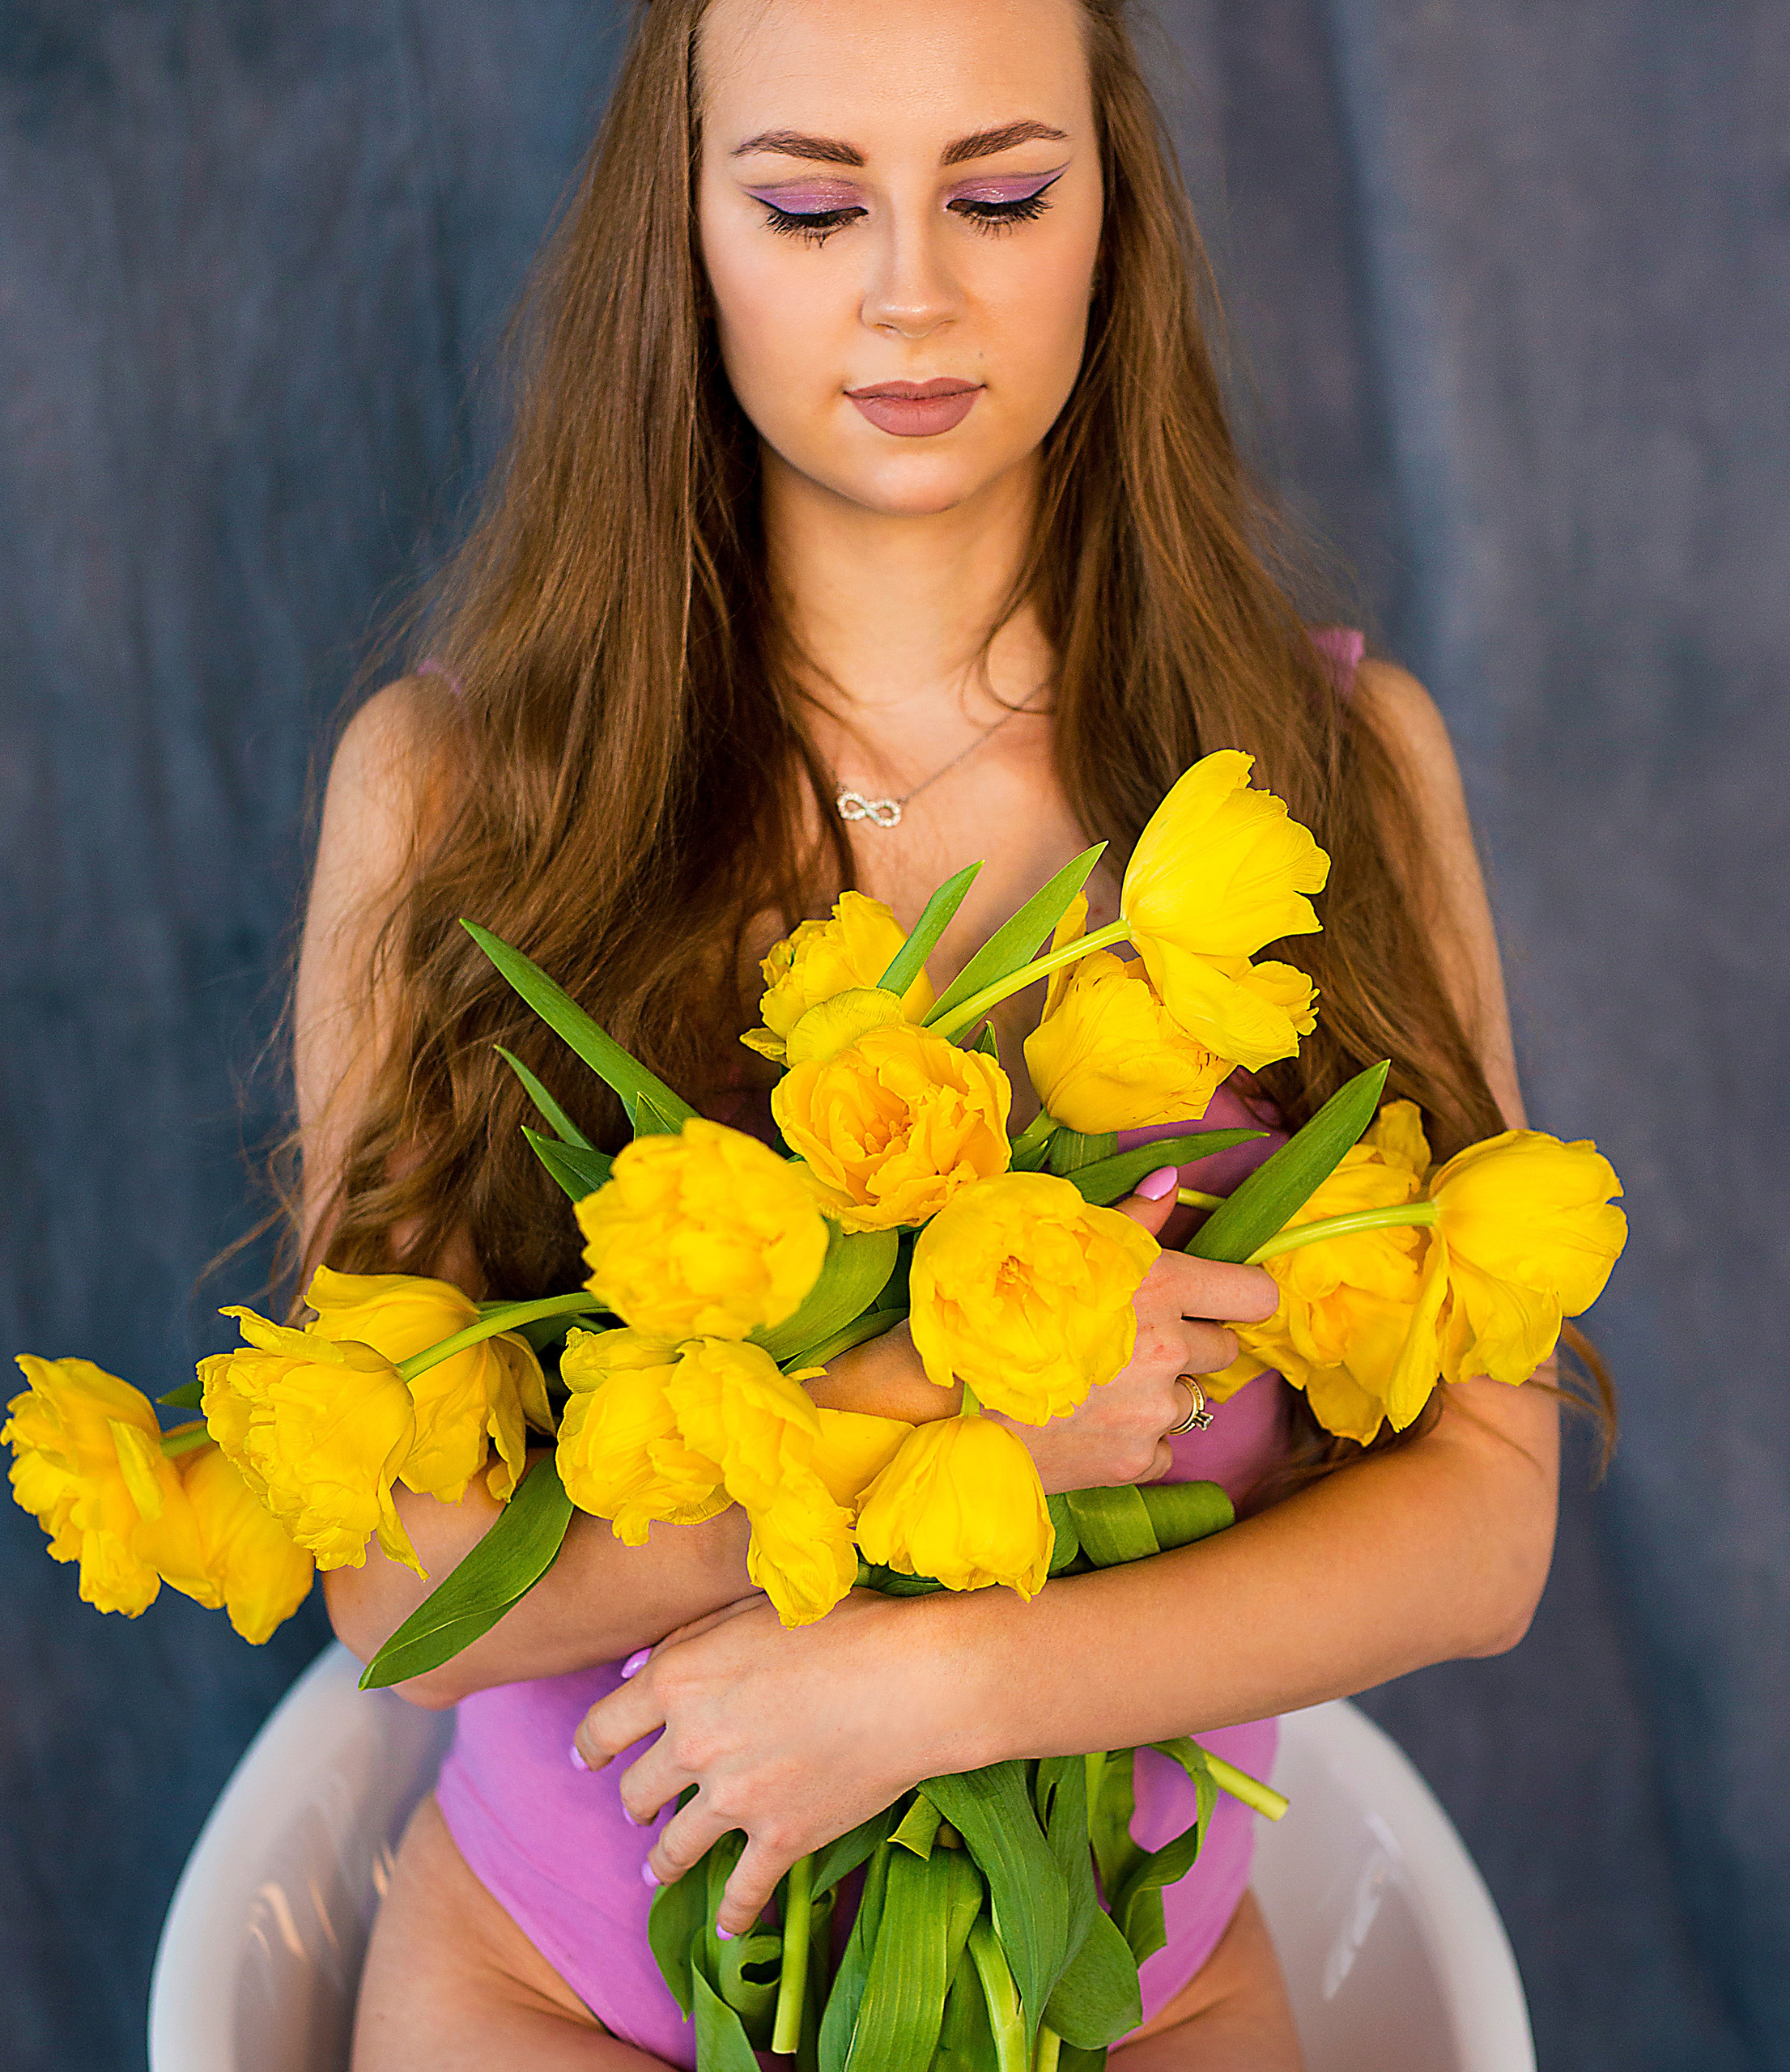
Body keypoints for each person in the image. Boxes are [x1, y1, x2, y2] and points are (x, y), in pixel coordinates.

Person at [301, 1, 1584, 2064]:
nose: (912, 291)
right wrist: (924, 1397)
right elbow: (397, 1597)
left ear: (1112, 220)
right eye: (810, 207)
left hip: (1130, 1999)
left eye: (998, 193)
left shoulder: (1338, 774)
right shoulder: (457, 796)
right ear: (684, 241)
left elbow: (1487, 1521)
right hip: (556, 1985)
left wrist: (938, 1690)